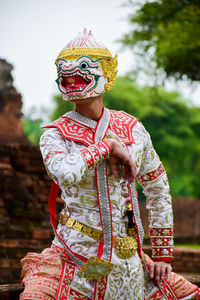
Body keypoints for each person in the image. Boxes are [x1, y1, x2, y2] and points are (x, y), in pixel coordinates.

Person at [20, 29, 200, 300]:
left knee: (189, 295)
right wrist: (107, 147)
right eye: (65, 72)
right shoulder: (55, 134)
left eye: (82, 68)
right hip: (75, 258)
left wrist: (163, 254)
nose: (72, 76)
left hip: (131, 258)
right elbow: (64, 173)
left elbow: (158, 188)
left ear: (106, 73)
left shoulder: (133, 128)